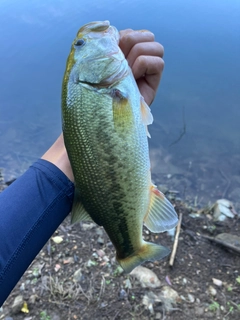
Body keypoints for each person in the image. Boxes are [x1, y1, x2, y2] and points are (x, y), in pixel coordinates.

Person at [0, 29, 164, 306]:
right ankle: (132, 248)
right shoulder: (89, 84)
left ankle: (131, 246)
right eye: (81, 44)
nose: (88, 39)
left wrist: (132, 107)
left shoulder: (91, 86)